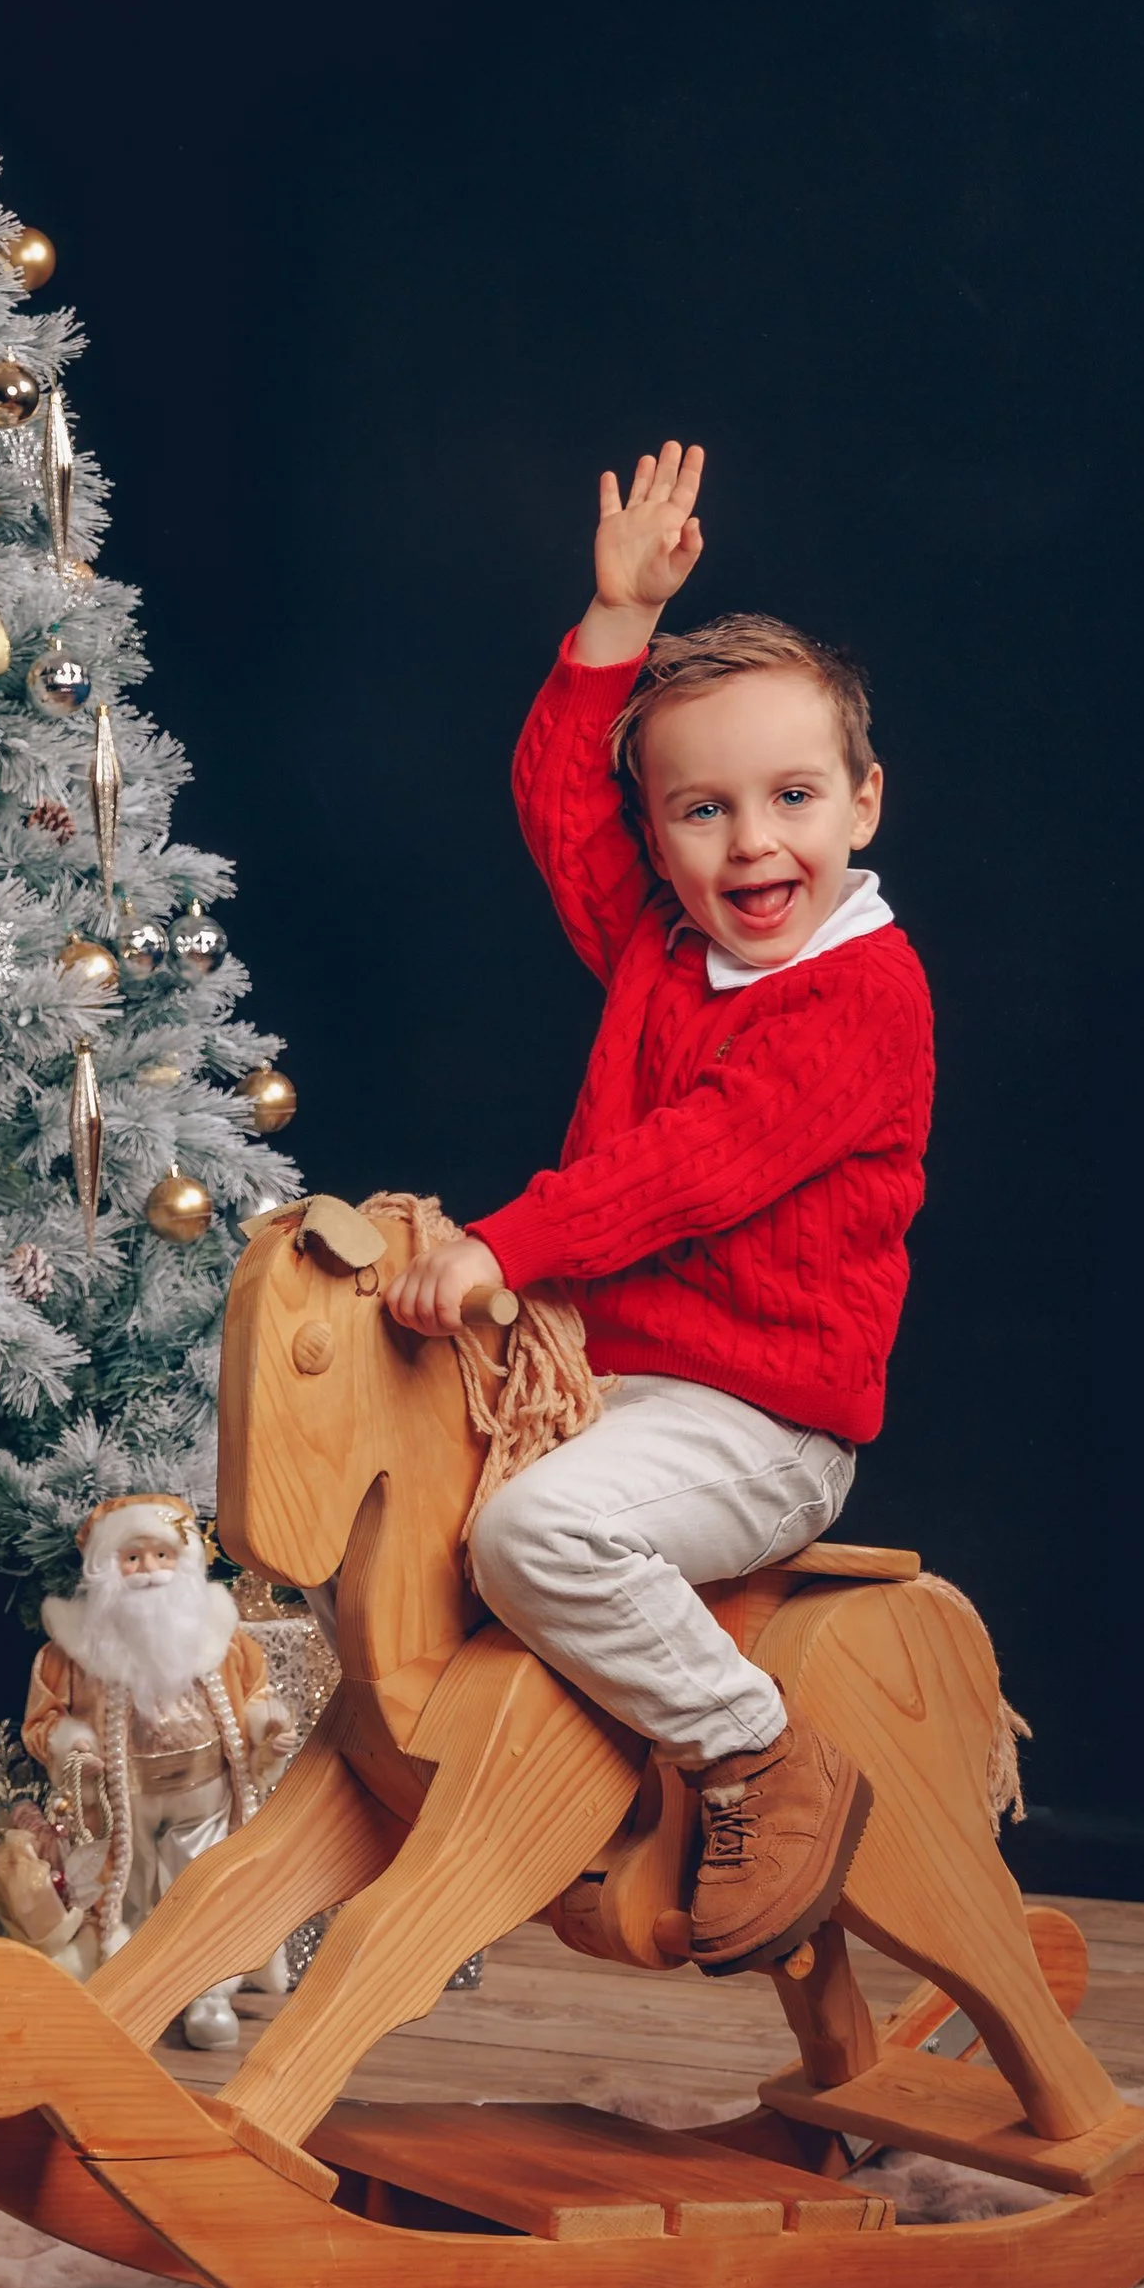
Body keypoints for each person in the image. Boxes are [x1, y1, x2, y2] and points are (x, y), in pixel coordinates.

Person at [385, 441, 934, 1977]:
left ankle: (759, 1758)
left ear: (864, 801)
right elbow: (566, 813)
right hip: (609, 1386)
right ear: (663, 835)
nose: (752, 841)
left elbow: (690, 1163)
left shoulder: (861, 996)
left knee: (534, 1534)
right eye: (701, 809)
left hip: (758, 1422)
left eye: (793, 795)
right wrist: (614, 624)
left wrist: (501, 1247)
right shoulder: (664, 948)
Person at [21, 1493, 296, 2044]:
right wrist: (71, 1746)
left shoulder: (222, 1639)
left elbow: (256, 1695)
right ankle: (137, 1989)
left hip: (206, 1793)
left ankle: (208, 1992)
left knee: (202, 1888)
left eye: (162, 1556)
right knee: (132, 1894)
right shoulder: (73, 1651)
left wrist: (269, 1728)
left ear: (186, 1562)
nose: (149, 1572)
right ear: (106, 1568)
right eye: (132, 1558)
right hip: (122, 1802)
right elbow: (44, 1718)